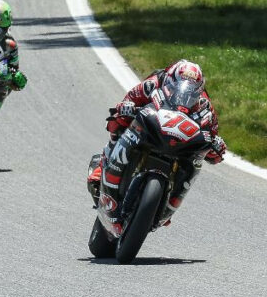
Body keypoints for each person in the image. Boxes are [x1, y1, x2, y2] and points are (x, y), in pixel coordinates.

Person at [86, 60, 226, 227]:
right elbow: (129, 99)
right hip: (149, 128)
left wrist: (216, 146)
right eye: (180, 86)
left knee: (195, 161)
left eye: (192, 90)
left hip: (178, 143)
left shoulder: (205, 105)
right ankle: (103, 163)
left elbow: (212, 135)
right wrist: (125, 108)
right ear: (170, 79)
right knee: (118, 122)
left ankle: (169, 201)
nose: (185, 93)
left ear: (199, 89)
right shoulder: (153, 83)